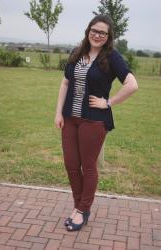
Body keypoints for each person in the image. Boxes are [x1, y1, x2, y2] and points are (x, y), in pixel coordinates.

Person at [54, 14, 138, 232]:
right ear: (88, 30)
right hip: (70, 119)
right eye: (94, 30)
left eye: (103, 32)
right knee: (71, 164)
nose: (97, 35)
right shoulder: (77, 52)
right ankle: (78, 206)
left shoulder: (111, 57)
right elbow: (65, 83)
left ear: (108, 36)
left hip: (94, 121)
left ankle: (82, 210)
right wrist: (58, 113)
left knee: (88, 166)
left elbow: (132, 84)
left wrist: (108, 102)